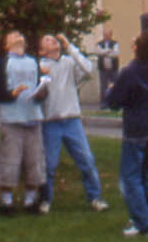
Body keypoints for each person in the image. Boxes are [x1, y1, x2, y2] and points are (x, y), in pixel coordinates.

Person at [37, 33, 108, 214]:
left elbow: (88, 68)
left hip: (72, 121)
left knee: (86, 160)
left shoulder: (69, 62)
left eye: (53, 38)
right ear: (42, 51)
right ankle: (45, 199)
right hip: (51, 121)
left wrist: (70, 47)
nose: (52, 40)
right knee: (49, 164)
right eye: (47, 40)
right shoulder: (40, 66)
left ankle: (95, 197)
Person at [106, 27, 148, 238]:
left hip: (135, 129)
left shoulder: (129, 72)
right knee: (143, 173)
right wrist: (144, 6)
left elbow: (113, 102)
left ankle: (144, 224)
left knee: (130, 178)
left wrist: (111, 89)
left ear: (137, 48)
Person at [0, 29, 47, 215]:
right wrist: (10, 94)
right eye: (13, 35)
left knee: (34, 159)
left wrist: (41, 93)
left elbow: (40, 86)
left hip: (32, 116)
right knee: (10, 160)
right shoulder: (2, 63)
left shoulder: (33, 62)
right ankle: (6, 201)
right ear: (6, 45)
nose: (18, 36)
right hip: (12, 117)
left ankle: (31, 200)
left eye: (20, 35)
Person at [95, 26, 120, 107]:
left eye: (107, 34)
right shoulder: (99, 44)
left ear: (111, 35)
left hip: (114, 68)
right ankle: (104, 103)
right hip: (103, 68)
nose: (106, 36)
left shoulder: (115, 43)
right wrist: (108, 51)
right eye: (104, 34)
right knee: (103, 86)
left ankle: (115, 102)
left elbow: (115, 54)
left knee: (115, 85)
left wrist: (104, 52)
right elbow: (99, 52)